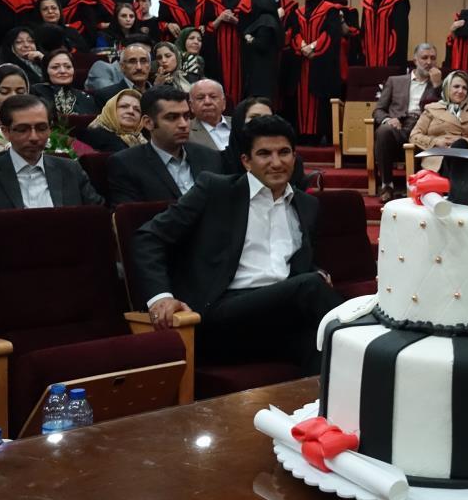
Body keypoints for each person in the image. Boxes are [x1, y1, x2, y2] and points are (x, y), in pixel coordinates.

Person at [133, 115, 343, 375]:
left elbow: (295, 261)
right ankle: (368, 337)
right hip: (222, 313)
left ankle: (324, 401)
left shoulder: (307, 204)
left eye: (284, 152)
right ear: (246, 161)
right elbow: (148, 237)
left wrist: (317, 270)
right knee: (311, 287)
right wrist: (161, 297)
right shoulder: (216, 190)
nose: (276, 162)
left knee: (324, 347)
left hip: (277, 316)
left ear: (294, 156)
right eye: (264, 154)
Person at [0, 94, 105, 210]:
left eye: (41, 128)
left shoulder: (71, 169)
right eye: (22, 129)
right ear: (6, 132)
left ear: (50, 129)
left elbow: (98, 215)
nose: (34, 137)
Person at [107, 86, 223, 205]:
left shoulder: (210, 157)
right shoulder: (126, 164)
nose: (183, 124)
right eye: (172, 117)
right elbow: (133, 214)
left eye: (186, 116)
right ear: (148, 123)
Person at [373, 42, 443, 200]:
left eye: (433, 58)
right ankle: (386, 185)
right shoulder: (395, 81)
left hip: (424, 129)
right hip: (398, 127)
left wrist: (437, 86)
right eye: (424, 58)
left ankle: (420, 187)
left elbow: (444, 109)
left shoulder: (440, 84)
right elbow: (378, 110)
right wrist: (388, 119)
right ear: (415, 60)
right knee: (383, 131)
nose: (429, 62)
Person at [291, 0, 343, 142]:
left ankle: (319, 135)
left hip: (322, 63)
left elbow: (331, 34)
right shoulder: (298, 12)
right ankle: (304, 134)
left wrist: (313, 47)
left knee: (319, 98)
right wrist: (302, 46)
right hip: (303, 63)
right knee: (303, 98)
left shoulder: (330, 10)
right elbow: (295, 33)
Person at [409, 70, 468, 172]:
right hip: (439, 157)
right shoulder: (432, 109)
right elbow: (414, 136)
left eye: (464, 88)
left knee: (460, 145)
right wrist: (436, 142)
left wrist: (464, 141)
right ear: (447, 88)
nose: (460, 91)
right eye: (456, 86)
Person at [221, 97, 307, 189]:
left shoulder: (294, 163)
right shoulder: (220, 161)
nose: (261, 122)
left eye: (267, 117)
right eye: (254, 117)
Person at [203, 0, 250, 103]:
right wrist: (220, 18)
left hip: (239, 49)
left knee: (239, 82)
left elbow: (250, 27)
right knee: (219, 80)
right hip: (218, 49)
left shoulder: (245, 0)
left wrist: (235, 21)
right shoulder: (211, 1)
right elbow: (207, 29)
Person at [359, 0, 410, 68]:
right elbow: (363, 31)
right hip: (369, 57)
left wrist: (393, 57)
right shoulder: (367, 3)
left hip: (391, 57)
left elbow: (400, 34)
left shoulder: (398, 2)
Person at [75, 89, 147, 153]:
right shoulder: (93, 136)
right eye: (124, 106)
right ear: (111, 110)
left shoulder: (142, 139)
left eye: (137, 110)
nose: (131, 111)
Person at [30, 48, 98, 116]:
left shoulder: (85, 97)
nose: (63, 71)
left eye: (68, 67)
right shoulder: (36, 92)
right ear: (46, 71)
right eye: (55, 67)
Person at [241, 0, 283, 99]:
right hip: (264, 70)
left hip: (261, 72)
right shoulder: (268, 19)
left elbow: (262, 44)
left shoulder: (266, 21)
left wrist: (250, 39)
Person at [187, 79, 233, 151]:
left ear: (224, 103)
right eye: (200, 98)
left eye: (213, 97)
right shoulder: (186, 131)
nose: (207, 102)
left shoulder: (239, 123)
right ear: (191, 106)